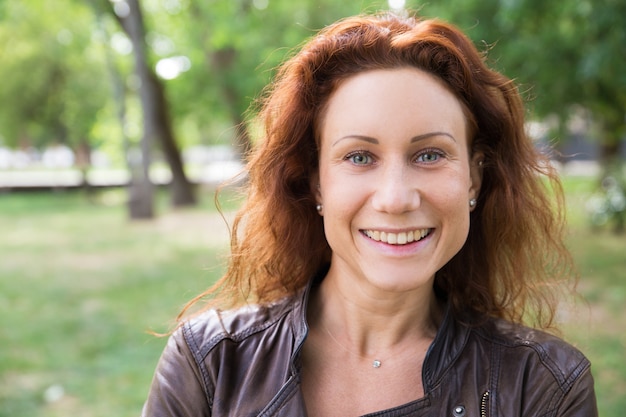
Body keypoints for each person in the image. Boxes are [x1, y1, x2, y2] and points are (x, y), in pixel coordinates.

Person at [142, 11, 598, 417]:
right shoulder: (210, 363)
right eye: (359, 157)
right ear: (317, 181)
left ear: (474, 180)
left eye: (430, 155)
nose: (396, 199)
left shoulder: (545, 387)